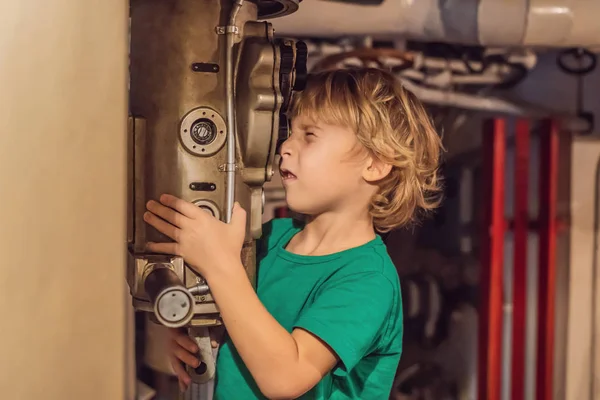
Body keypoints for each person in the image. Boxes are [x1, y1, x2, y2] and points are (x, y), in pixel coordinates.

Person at [143, 67, 444, 399]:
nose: (285, 146)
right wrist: (193, 332)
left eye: (309, 135)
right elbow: (244, 324)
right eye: (291, 132)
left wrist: (219, 265)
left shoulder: (368, 280)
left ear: (375, 163)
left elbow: (285, 377)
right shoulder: (270, 238)